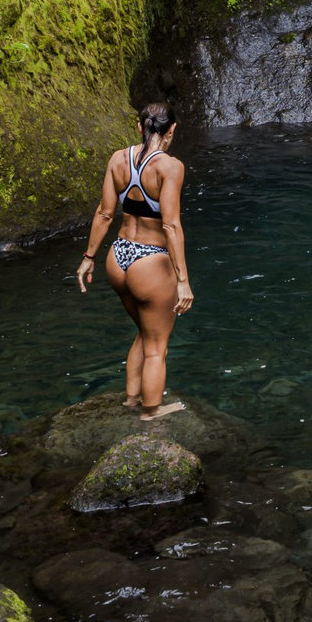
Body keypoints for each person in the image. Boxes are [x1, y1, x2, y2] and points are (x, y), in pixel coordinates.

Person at [76, 102, 194, 418]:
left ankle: (131, 399)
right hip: (151, 262)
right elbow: (170, 225)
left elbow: (104, 213)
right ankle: (151, 412)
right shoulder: (170, 167)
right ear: (171, 130)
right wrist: (182, 280)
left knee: (144, 332)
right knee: (157, 346)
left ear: (140, 127)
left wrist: (89, 258)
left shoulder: (118, 159)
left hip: (119, 257)